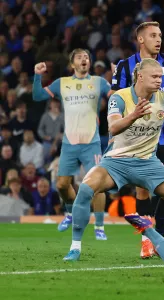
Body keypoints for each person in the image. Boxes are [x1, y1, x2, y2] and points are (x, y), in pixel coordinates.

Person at [63, 58, 164, 262]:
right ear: (140, 76)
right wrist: (134, 115)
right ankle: (75, 248)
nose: (160, 81)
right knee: (86, 189)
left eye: (161, 77)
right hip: (116, 162)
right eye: (155, 76)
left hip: (148, 163)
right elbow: (113, 127)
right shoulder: (119, 97)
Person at [111, 21, 164, 258]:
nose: (159, 39)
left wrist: (163, 102)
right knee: (143, 191)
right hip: (139, 139)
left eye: (160, 35)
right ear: (141, 39)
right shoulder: (126, 66)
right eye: (153, 35)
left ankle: (160, 238)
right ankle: (147, 240)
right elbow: (115, 96)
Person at [32, 48, 111, 240]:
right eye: (79, 57)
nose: (84, 59)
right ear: (72, 63)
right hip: (69, 143)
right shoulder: (62, 83)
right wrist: (37, 76)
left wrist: (118, 80)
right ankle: (71, 213)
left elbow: (117, 97)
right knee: (61, 185)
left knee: (97, 185)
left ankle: (99, 226)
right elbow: (38, 96)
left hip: (91, 142)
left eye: (87, 57)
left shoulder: (99, 82)